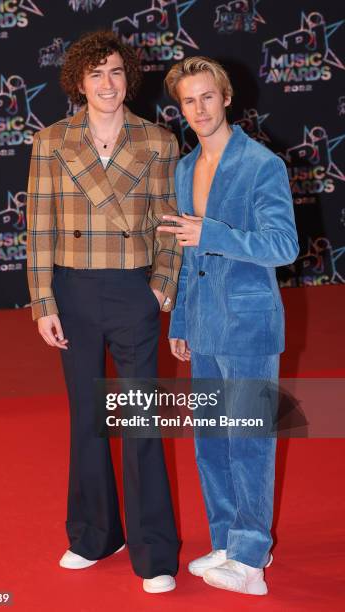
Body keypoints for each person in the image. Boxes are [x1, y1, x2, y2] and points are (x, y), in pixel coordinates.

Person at [26, 30, 182, 594]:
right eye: (95, 74)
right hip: (72, 291)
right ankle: (94, 535)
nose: (107, 83)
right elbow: (38, 227)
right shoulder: (50, 141)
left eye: (115, 72)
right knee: (89, 421)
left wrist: (161, 289)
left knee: (140, 420)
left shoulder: (160, 141)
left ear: (128, 77)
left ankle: (155, 552)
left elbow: (169, 224)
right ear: (78, 82)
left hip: (132, 291)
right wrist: (43, 301)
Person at [158, 56, 299, 595]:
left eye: (207, 97)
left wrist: (211, 232)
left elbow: (282, 246)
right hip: (206, 325)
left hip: (249, 322)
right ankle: (224, 540)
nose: (199, 109)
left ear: (226, 98)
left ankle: (250, 558)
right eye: (188, 101)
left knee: (250, 442)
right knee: (211, 441)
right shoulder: (184, 167)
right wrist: (182, 318)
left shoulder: (261, 165)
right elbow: (187, 252)